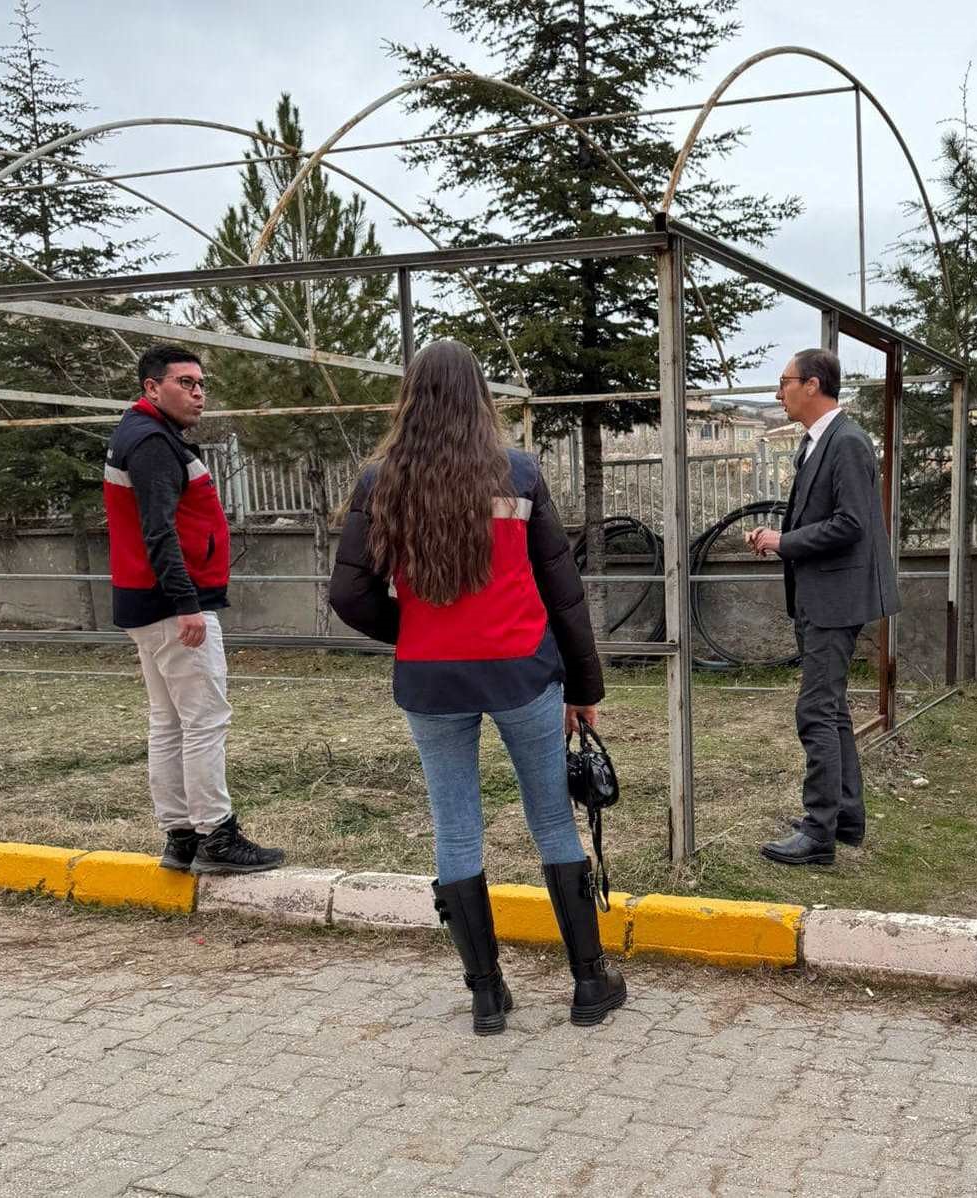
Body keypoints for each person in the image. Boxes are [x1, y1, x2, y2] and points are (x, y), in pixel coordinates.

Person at [329, 339, 624, 1036]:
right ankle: (588, 982)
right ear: (479, 398)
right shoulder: (518, 474)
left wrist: (412, 632)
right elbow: (564, 591)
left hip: (431, 680)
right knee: (551, 817)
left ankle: (487, 996)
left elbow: (348, 593)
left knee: (455, 828)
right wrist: (585, 685)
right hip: (522, 669)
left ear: (411, 398)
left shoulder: (382, 483)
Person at [103, 346, 285, 876]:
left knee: (169, 721)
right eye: (185, 382)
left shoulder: (141, 435)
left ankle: (181, 836)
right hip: (173, 606)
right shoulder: (153, 443)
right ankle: (216, 835)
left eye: (202, 383)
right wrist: (187, 604)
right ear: (152, 387)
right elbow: (157, 531)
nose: (198, 392)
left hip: (147, 601)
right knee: (204, 719)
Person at [745, 348, 901, 867]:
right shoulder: (819, 443)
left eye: (785, 381)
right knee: (830, 710)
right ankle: (843, 817)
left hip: (836, 598)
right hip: (819, 596)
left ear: (813, 385)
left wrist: (782, 540)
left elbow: (852, 523)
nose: (778, 392)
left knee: (814, 710)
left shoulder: (847, 442)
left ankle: (819, 833)